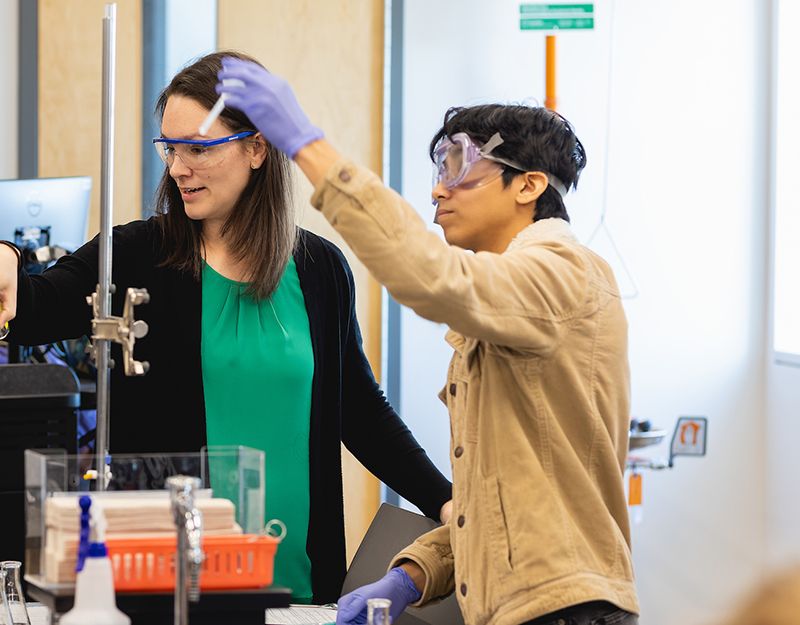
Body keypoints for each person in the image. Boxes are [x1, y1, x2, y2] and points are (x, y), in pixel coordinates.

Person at [0, 51, 452, 604]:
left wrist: (446, 501)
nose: (177, 168)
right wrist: (4, 252)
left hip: (299, 573)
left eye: (199, 148)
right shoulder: (140, 255)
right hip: (171, 580)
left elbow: (358, 408)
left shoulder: (319, 268)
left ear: (256, 149)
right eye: (169, 148)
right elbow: (38, 306)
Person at [212, 60, 638, 625]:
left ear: (529, 185)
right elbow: (499, 506)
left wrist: (309, 146)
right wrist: (409, 576)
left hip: (567, 610)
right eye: (440, 167)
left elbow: (431, 275)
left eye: (461, 166)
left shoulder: (564, 274)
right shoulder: (510, 309)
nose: (439, 189)